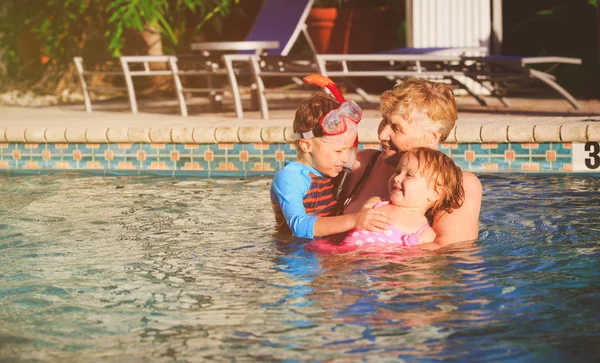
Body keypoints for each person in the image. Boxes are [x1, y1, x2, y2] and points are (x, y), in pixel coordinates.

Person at [341, 78, 482, 247]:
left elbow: (452, 252)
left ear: (431, 136)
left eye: (396, 128)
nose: (382, 135)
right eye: (384, 121)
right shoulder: (362, 163)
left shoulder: (457, 184)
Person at [270, 92, 389, 239]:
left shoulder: (326, 170)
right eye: (338, 151)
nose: (346, 158)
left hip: (323, 251)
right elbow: (299, 227)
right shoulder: (290, 177)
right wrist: (355, 220)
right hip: (297, 257)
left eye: (348, 149)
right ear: (306, 145)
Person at [307, 147, 464, 253]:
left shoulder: (425, 233)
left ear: (435, 193)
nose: (397, 178)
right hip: (340, 253)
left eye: (409, 175)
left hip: (374, 268)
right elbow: (347, 228)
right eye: (397, 172)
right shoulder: (377, 202)